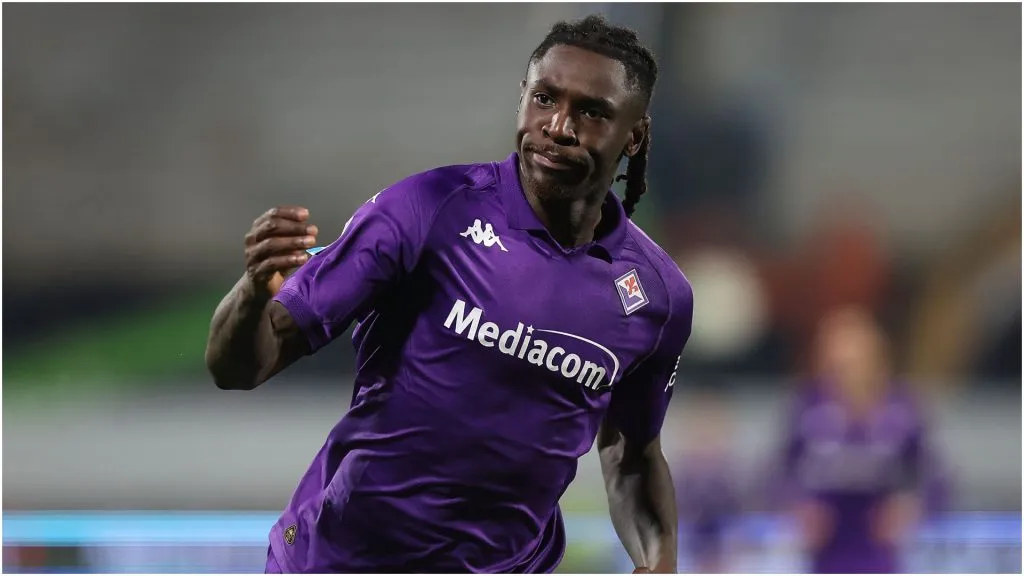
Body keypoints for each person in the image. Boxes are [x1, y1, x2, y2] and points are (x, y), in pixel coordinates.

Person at [205, 15, 694, 574]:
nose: (559, 127)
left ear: (634, 135)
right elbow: (240, 367)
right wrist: (251, 293)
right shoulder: (428, 209)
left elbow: (632, 456)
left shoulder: (658, 297)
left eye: (592, 112)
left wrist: (659, 563)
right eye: (544, 98)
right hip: (339, 560)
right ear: (523, 97)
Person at [779, 306, 932, 573]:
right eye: (835, 365)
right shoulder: (808, 409)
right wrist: (798, 506)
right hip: (826, 552)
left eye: (853, 364)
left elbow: (934, 475)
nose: (844, 375)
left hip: (879, 551)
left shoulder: (903, 410)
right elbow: (779, 472)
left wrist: (911, 506)